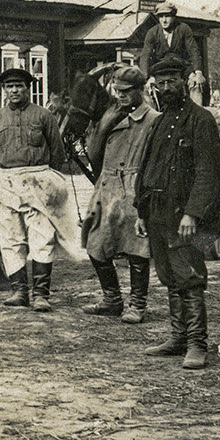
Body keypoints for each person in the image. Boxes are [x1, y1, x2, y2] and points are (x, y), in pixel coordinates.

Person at [133, 57, 220, 369]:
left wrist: (193, 214)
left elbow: (207, 173)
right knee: (169, 276)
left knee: (190, 277)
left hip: (183, 216)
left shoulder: (201, 120)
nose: (165, 87)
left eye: (171, 80)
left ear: (185, 82)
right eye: (160, 82)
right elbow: (146, 168)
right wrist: (140, 212)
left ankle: (198, 344)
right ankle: (178, 337)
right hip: (157, 212)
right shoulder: (159, 121)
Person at [0, 66, 82, 313]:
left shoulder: (43, 116)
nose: (14, 90)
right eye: (9, 86)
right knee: (10, 237)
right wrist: (9, 171)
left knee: (42, 236)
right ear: (4, 90)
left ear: (28, 88)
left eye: (19, 86)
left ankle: (40, 294)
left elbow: (57, 152)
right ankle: (19, 292)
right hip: (7, 181)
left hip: (39, 181)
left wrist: (40, 175)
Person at [81, 66, 157, 323]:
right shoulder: (111, 116)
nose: (121, 96)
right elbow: (93, 156)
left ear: (140, 90)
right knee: (95, 243)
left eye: (126, 92)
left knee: (137, 249)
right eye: (117, 91)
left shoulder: (152, 120)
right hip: (107, 185)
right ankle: (112, 299)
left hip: (133, 187)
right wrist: (103, 126)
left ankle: (137, 304)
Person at [138, 3, 204, 88]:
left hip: (181, 67)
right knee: (148, 90)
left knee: (198, 86)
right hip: (159, 69)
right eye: (161, 17)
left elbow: (193, 51)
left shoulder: (183, 29)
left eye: (167, 16)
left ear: (173, 16)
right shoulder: (152, 32)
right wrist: (146, 77)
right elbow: (145, 55)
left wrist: (198, 72)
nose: (164, 20)